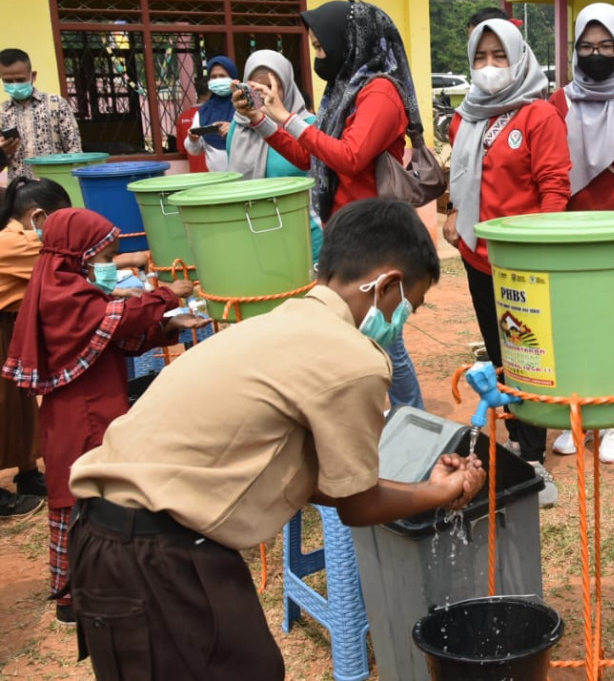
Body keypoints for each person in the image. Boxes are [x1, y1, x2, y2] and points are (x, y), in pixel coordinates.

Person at [68, 199, 485, 679]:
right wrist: (440, 492)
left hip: (113, 538)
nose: (402, 319)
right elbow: (357, 505)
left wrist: (422, 489)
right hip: (154, 554)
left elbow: (320, 483)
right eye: (408, 305)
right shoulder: (352, 358)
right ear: (387, 285)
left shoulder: (283, 323)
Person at [1, 209, 200, 624]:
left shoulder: (65, 285)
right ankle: (80, 592)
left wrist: (167, 328)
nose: (103, 265)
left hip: (87, 406)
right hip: (85, 413)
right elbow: (115, 319)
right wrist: (168, 296)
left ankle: (98, 584)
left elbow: (111, 332)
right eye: (101, 255)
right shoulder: (65, 293)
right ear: (79, 251)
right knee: (86, 496)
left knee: (90, 493)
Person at [240, 0, 426, 411]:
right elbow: (313, 156)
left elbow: (350, 155)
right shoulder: (345, 89)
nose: (318, 56)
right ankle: (380, 418)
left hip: (376, 236)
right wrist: (261, 120)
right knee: (355, 336)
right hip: (346, 232)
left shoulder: (380, 92)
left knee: (383, 340)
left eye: (322, 48)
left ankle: (414, 423)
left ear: (350, 42)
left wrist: (288, 116)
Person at [443, 18, 570, 507]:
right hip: (477, 258)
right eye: (481, 57)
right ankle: (519, 440)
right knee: (499, 356)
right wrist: (454, 215)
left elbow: (554, 188)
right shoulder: (466, 117)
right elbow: (462, 179)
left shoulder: (538, 116)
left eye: (500, 57)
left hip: (523, 266)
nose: (490, 68)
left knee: (528, 359)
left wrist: (535, 251)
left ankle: (535, 458)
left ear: (519, 60)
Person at [548, 2, 614, 464]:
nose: (596, 54)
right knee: (577, 329)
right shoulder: (559, 101)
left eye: (606, 45)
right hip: (574, 235)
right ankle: (581, 416)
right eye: (586, 46)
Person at [0, 178, 71, 518]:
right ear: (39, 217)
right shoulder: (14, 243)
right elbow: (68, 263)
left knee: (20, 405)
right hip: (2, 326)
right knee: (3, 408)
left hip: (11, 327)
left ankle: (28, 474)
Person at [225, 50, 324, 262]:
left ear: (285, 85)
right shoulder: (238, 128)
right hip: (255, 237)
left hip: (305, 236)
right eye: (254, 86)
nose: (262, 93)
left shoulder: (308, 127)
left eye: (269, 86)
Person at [0, 48, 83, 181]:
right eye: (8, 81)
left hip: (54, 188)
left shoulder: (56, 104)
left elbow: (74, 149)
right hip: (18, 192)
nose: (15, 85)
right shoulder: (2, 112)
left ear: (33, 76)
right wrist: (3, 153)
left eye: (20, 79)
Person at [183, 56, 238, 171]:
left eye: (222, 76)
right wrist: (193, 139)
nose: (218, 80)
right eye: (213, 77)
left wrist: (234, 130)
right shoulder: (203, 112)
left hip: (247, 180)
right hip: (217, 182)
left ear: (233, 79)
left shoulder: (245, 106)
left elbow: (258, 136)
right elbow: (195, 150)